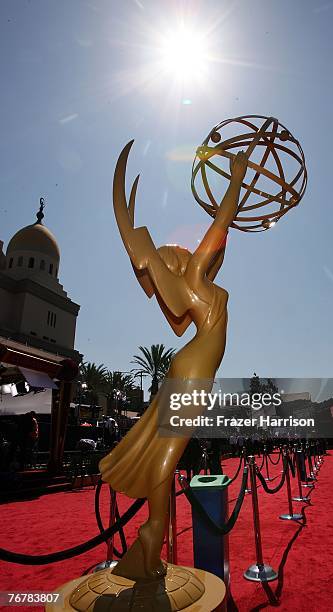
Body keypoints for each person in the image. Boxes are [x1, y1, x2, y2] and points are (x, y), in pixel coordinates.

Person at [99, 142, 248, 580]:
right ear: (181, 260)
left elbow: (180, 325)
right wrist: (237, 177)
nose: (187, 250)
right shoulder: (196, 277)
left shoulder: (192, 292)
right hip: (196, 366)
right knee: (170, 450)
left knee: (168, 448)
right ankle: (153, 528)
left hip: (191, 362)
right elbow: (221, 225)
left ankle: (151, 531)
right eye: (179, 250)